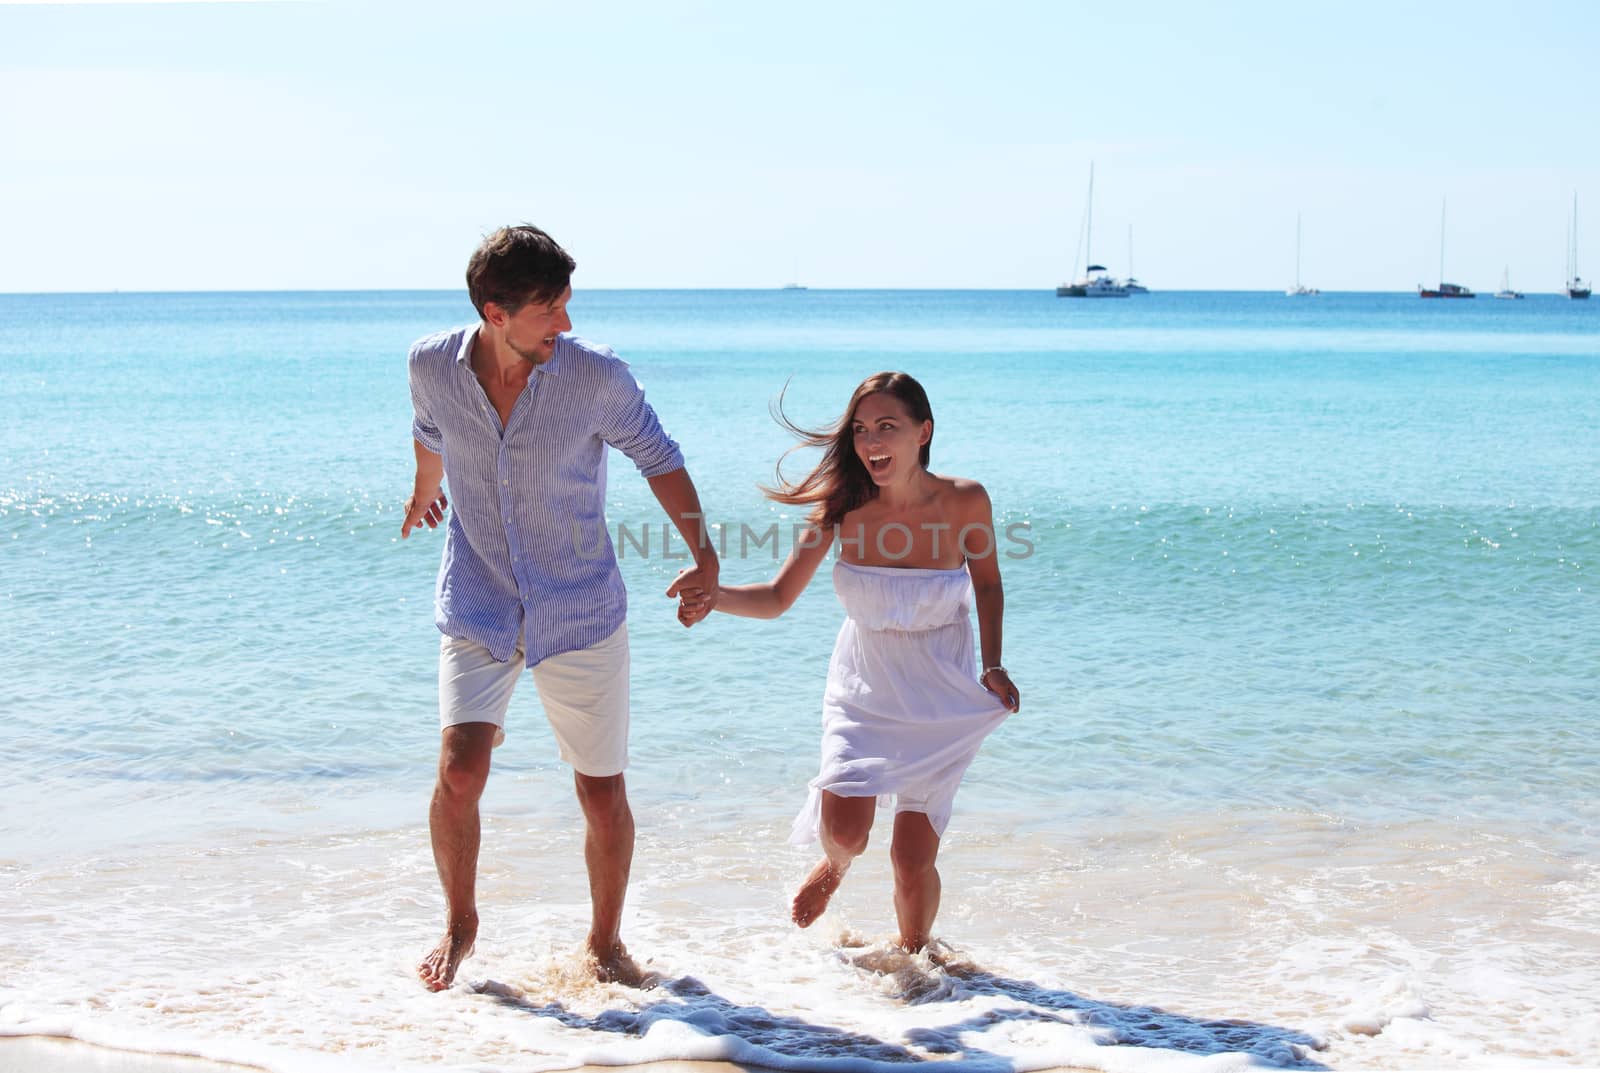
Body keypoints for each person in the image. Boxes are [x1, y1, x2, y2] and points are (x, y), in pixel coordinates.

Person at [402, 225, 718, 990]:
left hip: (578, 606)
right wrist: (423, 487)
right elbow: (427, 431)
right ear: (495, 312)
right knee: (459, 771)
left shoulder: (597, 378)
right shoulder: (429, 365)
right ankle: (460, 921)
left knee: (600, 789)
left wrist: (705, 553)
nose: (565, 325)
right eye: (550, 310)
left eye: (567, 305)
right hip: (478, 599)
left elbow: (659, 457)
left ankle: (605, 942)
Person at [671, 372, 1018, 953]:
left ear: (923, 432)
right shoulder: (843, 508)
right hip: (865, 685)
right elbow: (780, 598)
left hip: (940, 688)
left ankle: (915, 966)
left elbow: (987, 585)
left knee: (911, 861)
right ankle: (833, 869)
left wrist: (994, 665)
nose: (870, 440)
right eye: (861, 429)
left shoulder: (965, 501)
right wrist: (714, 597)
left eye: (888, 426)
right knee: (845, 832)